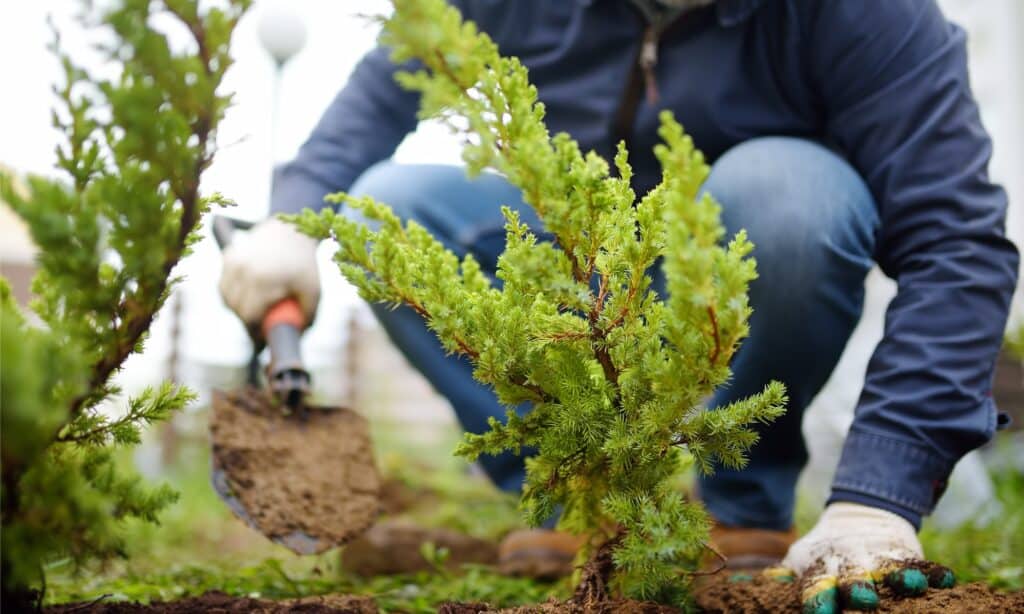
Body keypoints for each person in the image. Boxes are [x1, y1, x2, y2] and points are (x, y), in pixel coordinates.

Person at [219, 0, 1018, 609]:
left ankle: (743, 497)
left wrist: (878, 495)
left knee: (790, 195)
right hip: (582, 274)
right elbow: (385, 83)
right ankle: (570, 489)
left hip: (739, 273)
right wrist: (291, 217)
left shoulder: (860, 16)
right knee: (377, 214)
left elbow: (956, 244)